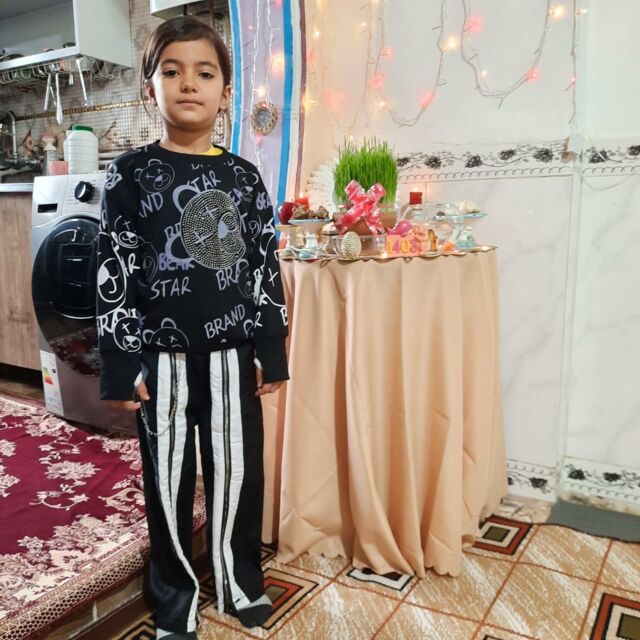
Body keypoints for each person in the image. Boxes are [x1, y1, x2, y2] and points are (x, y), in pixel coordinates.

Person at [96, 16, 288, 640]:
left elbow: (263, 267)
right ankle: (175, 597)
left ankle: (239, 581)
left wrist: (271, 349)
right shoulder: (128, 174)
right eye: (172, 72)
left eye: (204, 74)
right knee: (168, 482)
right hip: (163, 363)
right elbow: (115, 268)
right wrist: (121, 362)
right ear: (149, 87)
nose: (188, 84)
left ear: (225, 93)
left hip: (234, 358)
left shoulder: (245, 178)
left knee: (237, 475)